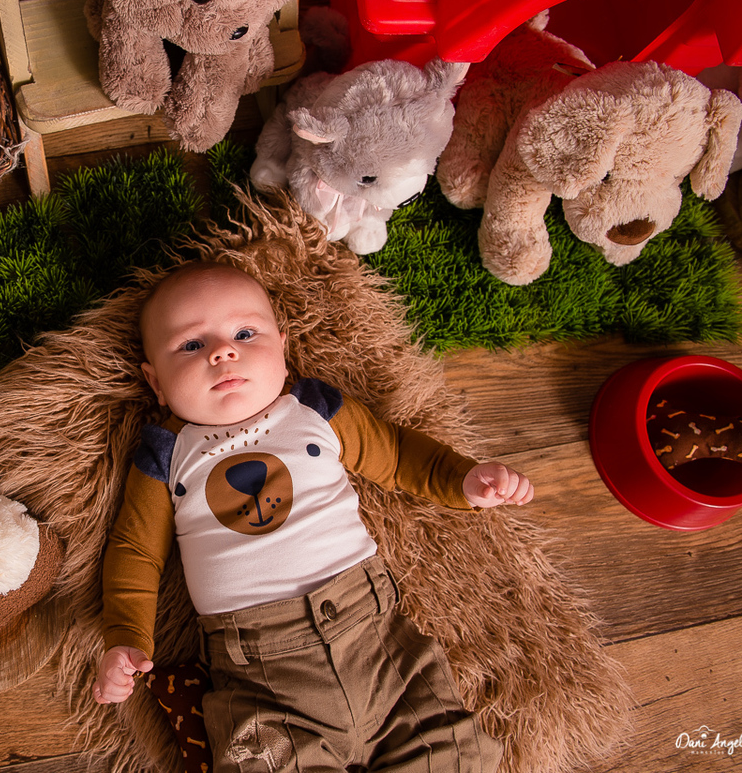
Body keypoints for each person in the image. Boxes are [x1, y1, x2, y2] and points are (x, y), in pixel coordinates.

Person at [93, 261, 531, 772]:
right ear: (156, 382)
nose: (222, 352)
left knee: (449, 751)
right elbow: (136, 552)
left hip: (378, 643)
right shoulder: (167, 454)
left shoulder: (315, 410)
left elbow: (395, 454)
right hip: (260, 675)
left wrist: (462, 479)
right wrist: (125, 638)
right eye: (191, 344)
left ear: (282, 348)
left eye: (244, 334)